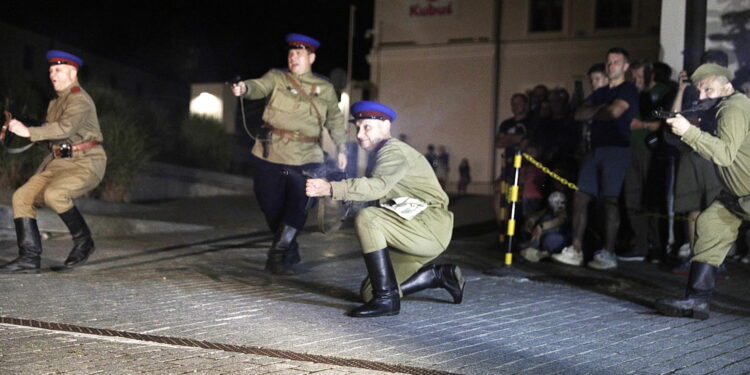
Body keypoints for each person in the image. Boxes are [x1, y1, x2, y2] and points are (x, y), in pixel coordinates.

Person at [305, 101, 464, 318]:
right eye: (357, 127)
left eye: (367, 127)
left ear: (385, 125)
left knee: (369, 219)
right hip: (411, 226)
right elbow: (381, 194)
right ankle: (437, 276)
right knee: (369, 293)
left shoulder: (393, 151)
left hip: (428, 227)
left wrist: (331, 188)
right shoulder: (380, 153)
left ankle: (387, 301)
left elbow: (377, 187)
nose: (360, 134)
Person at [231, 33, 348, 275]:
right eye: (291, 53)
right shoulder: (276, 77)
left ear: (311, 57)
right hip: (271, 153)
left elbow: (335, 121)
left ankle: (277, 255)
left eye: (299, 53)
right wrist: (244, 88)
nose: (293, 57)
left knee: (298, 206)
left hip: (307, 157)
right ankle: (290, 247)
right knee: (270, 204)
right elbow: (257, 86)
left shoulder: (324, 88)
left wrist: (342, 147)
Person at [656, 63, 750, 320]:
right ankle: (697, 301)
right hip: (737, 194)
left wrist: (689, 132)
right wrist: (687, 134)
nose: (702, 96)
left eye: (708, 90)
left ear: (727, 86)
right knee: (709, 224)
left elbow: (724, 154)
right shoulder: (720, 108)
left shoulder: (733, 108)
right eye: (700, 91)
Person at [0, 50, 106, 273]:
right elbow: (51, 137)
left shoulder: (79, 99)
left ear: (72, 73)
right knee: (21, 197)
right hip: (58, 163)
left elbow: (63, 129)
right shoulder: (56, 103)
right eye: (50, 70)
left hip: (85, 162)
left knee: (55, 194)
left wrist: (28, 131)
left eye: (57, 70)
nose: (52, 74)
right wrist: (21, 128)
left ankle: (84, 241)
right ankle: (29, 257)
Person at [551, 47, 638, 270]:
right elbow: (579, 114)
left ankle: (608, 252)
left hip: (617, 148)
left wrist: (597, 111)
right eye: (609, 62)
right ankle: (576, 249)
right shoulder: (602, 93)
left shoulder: (628, 89)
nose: (611, 66)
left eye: (616, 62)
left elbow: (614, 113)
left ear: (625, 66)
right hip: (594, 149)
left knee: (609, 200)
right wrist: (601, 108)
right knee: (580, 197)